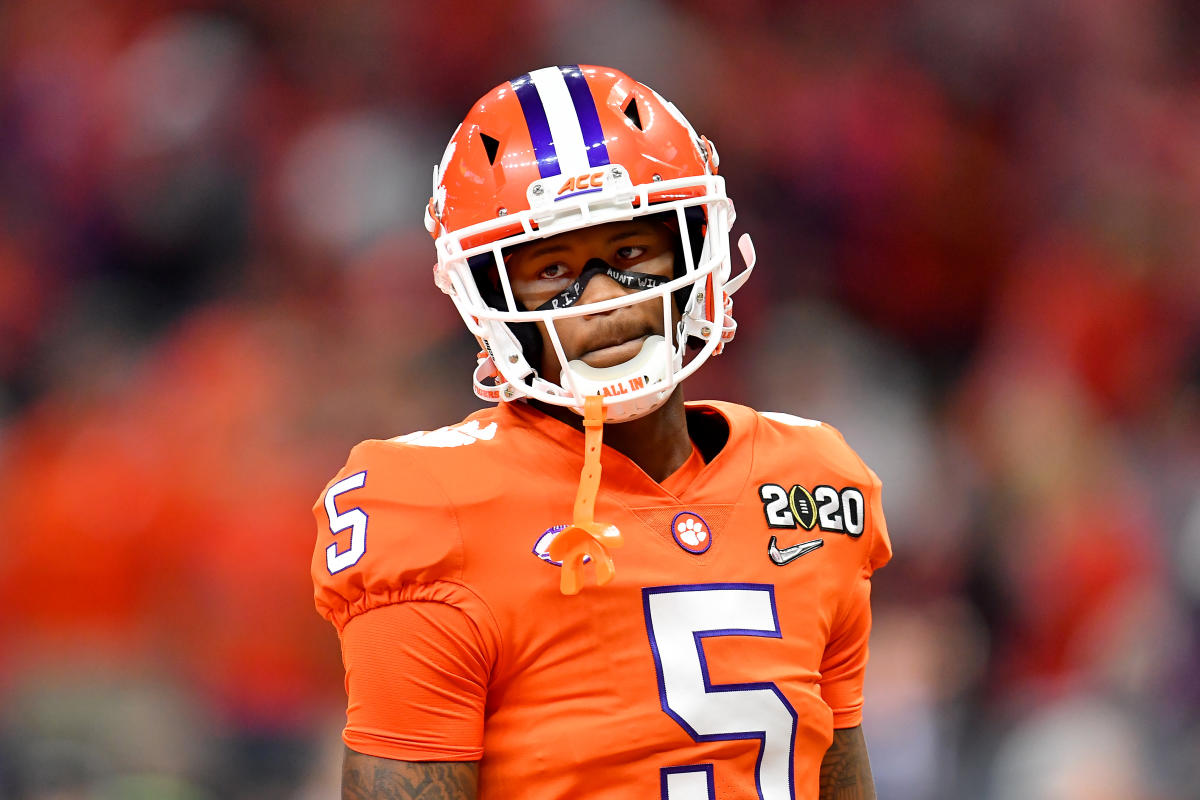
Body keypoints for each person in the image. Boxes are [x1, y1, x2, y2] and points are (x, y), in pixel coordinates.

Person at [312, 64, 891, 800]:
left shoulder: (814, 480)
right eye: (552, 269)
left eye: (628, 253)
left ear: (695, 251)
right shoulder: (428, 506)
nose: (605, 299)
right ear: (487, 296)